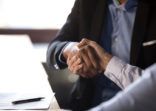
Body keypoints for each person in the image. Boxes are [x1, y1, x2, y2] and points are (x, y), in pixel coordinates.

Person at [47, 0, 156, 110]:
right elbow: (53, 50)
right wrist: (72, 50)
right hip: (86, 103)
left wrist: (105, 62)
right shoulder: (87, 3)